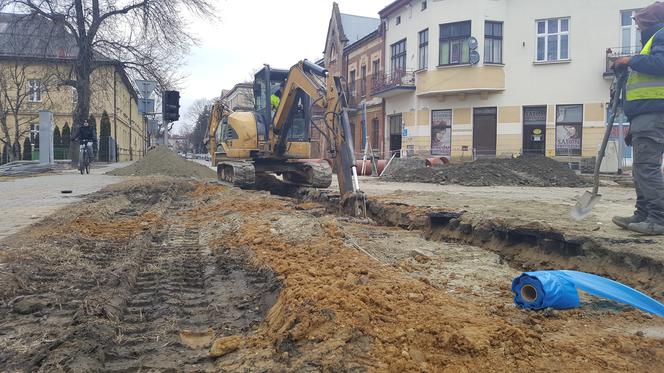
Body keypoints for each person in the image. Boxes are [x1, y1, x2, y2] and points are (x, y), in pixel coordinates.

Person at [613, 2, 664, 235]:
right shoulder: (651, 41)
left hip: (655, 113)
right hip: (645, 114)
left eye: (639, 20)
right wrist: (633, 120)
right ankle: (643, 213)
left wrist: (630, 60)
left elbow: (661, 65)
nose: (636, 25)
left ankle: (659, 218)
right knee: (640, 168)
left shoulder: (661, 36)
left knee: (646, 167)